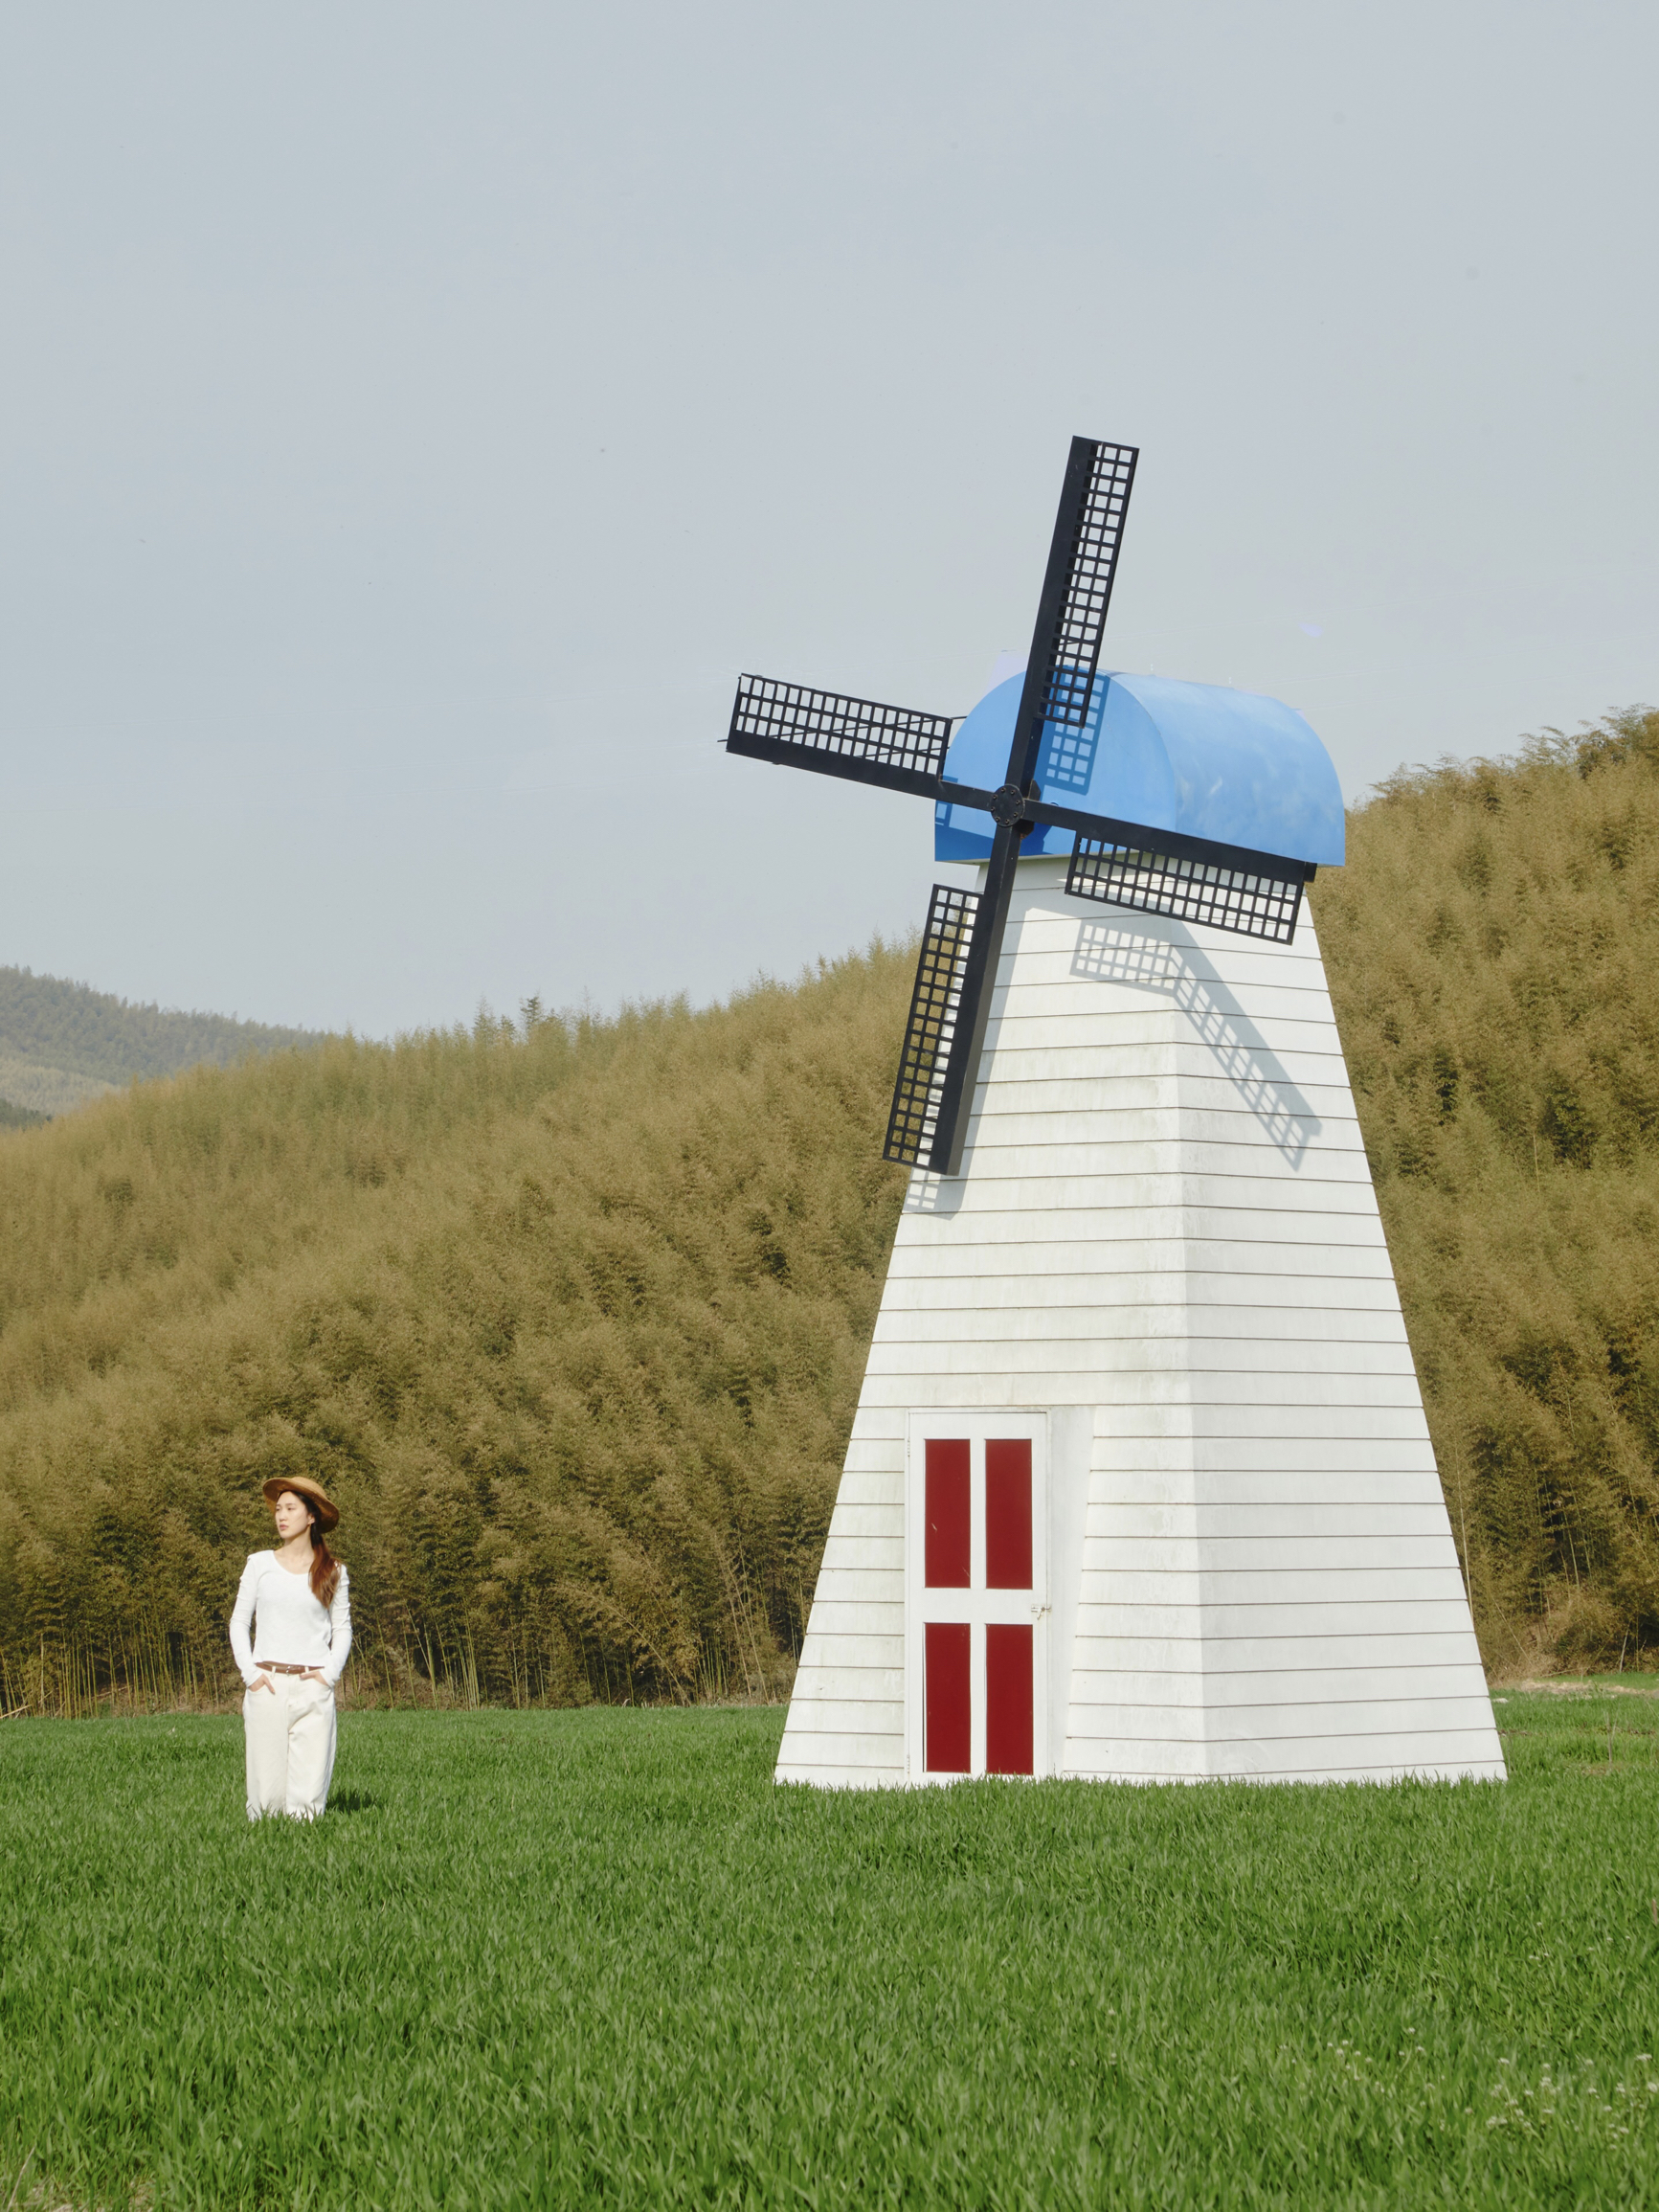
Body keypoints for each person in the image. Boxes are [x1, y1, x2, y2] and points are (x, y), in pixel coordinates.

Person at [229, 1476, 351, 1820]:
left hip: (312, 1688)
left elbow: (342, 1630)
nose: (281, 1516)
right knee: (265, 1803)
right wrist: (250, 1675)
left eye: (290, 1508)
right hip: (266, 1685)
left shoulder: (333, 1571)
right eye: (278, 1509)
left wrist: (328, 1676)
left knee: (308, 1803)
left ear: (311, 1516)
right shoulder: (259, 1564)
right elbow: (239, 1623)